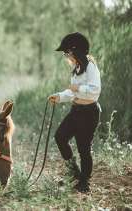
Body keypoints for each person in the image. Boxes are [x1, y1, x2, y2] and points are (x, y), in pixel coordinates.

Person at [48, 32, 101, 193]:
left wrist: (77, 88)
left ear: (75, 50)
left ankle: (84, 183)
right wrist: (59, 96)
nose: (65, 56)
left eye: (66, 52)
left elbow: (94, 91)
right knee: (60, 137)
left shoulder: (90, 66)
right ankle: (75, 174)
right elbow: (72, 93)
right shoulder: (76, 68)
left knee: (83, 148)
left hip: (89, 112)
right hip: (76, 111)